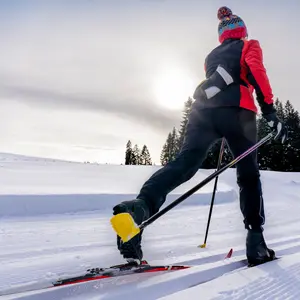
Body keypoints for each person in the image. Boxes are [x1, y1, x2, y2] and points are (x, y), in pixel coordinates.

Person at [112, 6, 288, 266]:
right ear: (242, 30)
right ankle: (256, 241)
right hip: (239, 112)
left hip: (203, 112)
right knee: (248, 175)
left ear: (221, 35)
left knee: (184, 164)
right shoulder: (249, 45)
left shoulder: (211, 56)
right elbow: (256, 71)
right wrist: (270, 111)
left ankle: (140, 207)